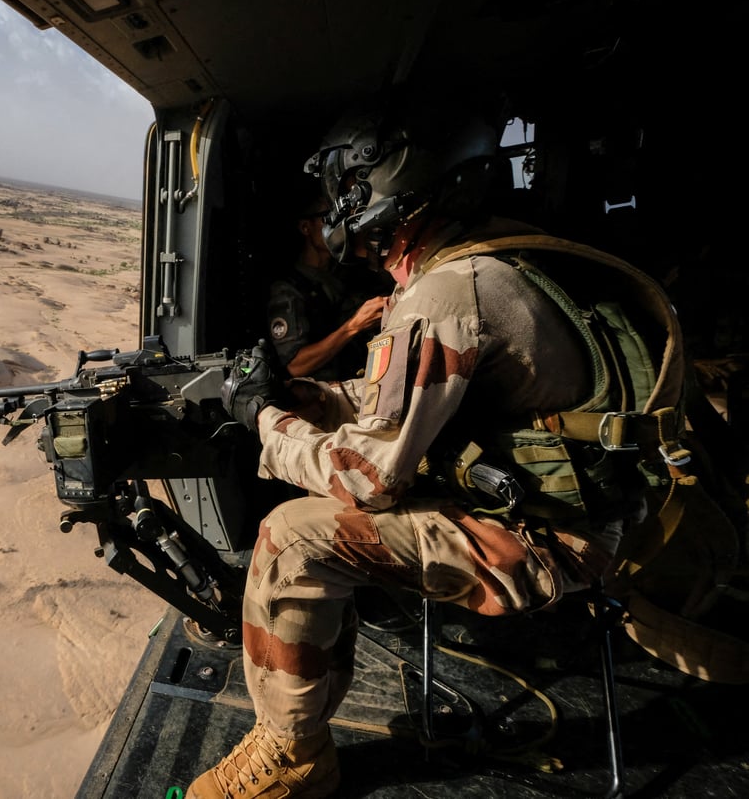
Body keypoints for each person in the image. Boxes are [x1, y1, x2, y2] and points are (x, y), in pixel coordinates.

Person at [188, 92, 672, 798]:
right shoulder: (494, 259)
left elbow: (367, 480)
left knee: (291, 539)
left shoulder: (447, 294)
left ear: (387, 193)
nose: (334, 211)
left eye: (343, 190)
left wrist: (264, 420)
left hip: (550, 544)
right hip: (588, 508)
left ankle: (292, 757)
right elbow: (412, 399)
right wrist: (305, 400)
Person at [266, 182, 389, 381]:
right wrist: (353, 326)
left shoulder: (348, 271)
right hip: (328, 395)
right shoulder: (289, 290)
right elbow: (295, 365)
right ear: (306, 227)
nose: (337, 225)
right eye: (328, 218)